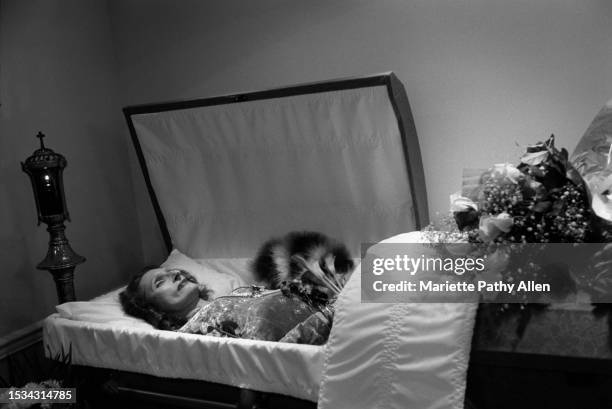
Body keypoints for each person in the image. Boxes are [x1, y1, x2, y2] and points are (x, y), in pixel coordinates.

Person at [119, 265, 333, 344]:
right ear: (153, 309)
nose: (174, 274)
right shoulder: (195, 334)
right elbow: (269, 354)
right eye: (160, 282)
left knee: (367, 253)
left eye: (170, 271)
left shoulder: (237, 294)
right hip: (334, 331)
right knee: (369, 256)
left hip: (338, 311)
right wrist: (331, 315)